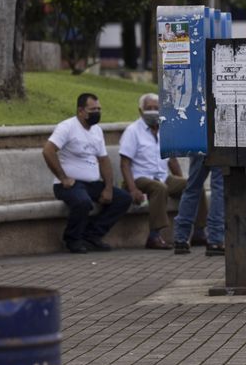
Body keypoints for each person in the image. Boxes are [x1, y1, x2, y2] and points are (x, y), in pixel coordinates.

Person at [43, 93, 133, 253]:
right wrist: (63, 178)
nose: (97, 112)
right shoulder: (67, 127)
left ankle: (92, 235)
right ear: (80, 111)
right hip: (69, 185)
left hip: (92, 184)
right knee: (83, 202)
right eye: (93, 109)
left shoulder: (97, 130)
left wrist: (108, 188)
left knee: (123, 199)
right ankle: (73, 239)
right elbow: (48, 150)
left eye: (99, 109)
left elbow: (104, 160)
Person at [119, 93, 206, 250]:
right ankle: (154, 236)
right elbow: (125, 163)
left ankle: (199, 232)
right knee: (159, 188)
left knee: (195, 185)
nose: (153, 111)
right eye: (149, 108)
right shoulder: (133, 131)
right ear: (141, 111)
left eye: (156, 108)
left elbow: (172, 160)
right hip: (140, 178)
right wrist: (132, 189)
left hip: (163, 177)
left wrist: (183, 184)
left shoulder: (165, 130)